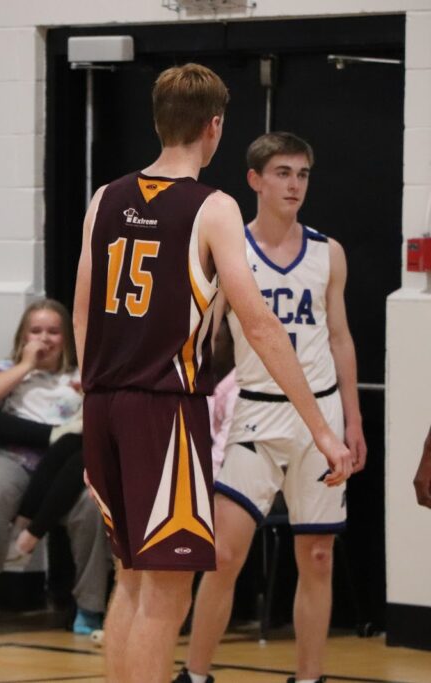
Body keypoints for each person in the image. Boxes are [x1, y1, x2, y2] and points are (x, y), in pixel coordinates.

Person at [71, 64, 352, 683]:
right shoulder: (213, 207)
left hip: (104, 404)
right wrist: (324, 430)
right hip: (162, 411)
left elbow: (84, 309)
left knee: (133, 580)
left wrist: (94, 391)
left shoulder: (105, 197)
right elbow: (258, 325)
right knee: (167, 595)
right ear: (214, 127)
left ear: (158, 120)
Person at [176, 132, 367, 683]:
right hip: (255, 413)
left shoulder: (328, 252)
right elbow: (204, 337)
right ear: (255, 180)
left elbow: (340, 338)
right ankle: (195, 673)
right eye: (283, 172)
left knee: (318, 558)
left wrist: (352, 421)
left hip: (321, 418)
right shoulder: (230, 251)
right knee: (224, 555)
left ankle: (309, 677)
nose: (295, 184)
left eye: (303, 174)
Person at [0, 299, 109, 640]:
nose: (45, 339)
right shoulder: (3, 369)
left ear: (66, 337)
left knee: (93, 505)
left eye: (53, 331)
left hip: (67, 472)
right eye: (36, 331)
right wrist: (25, 365)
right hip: (11, 461)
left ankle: (90, 606)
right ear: (22, 336)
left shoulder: (81, 375)